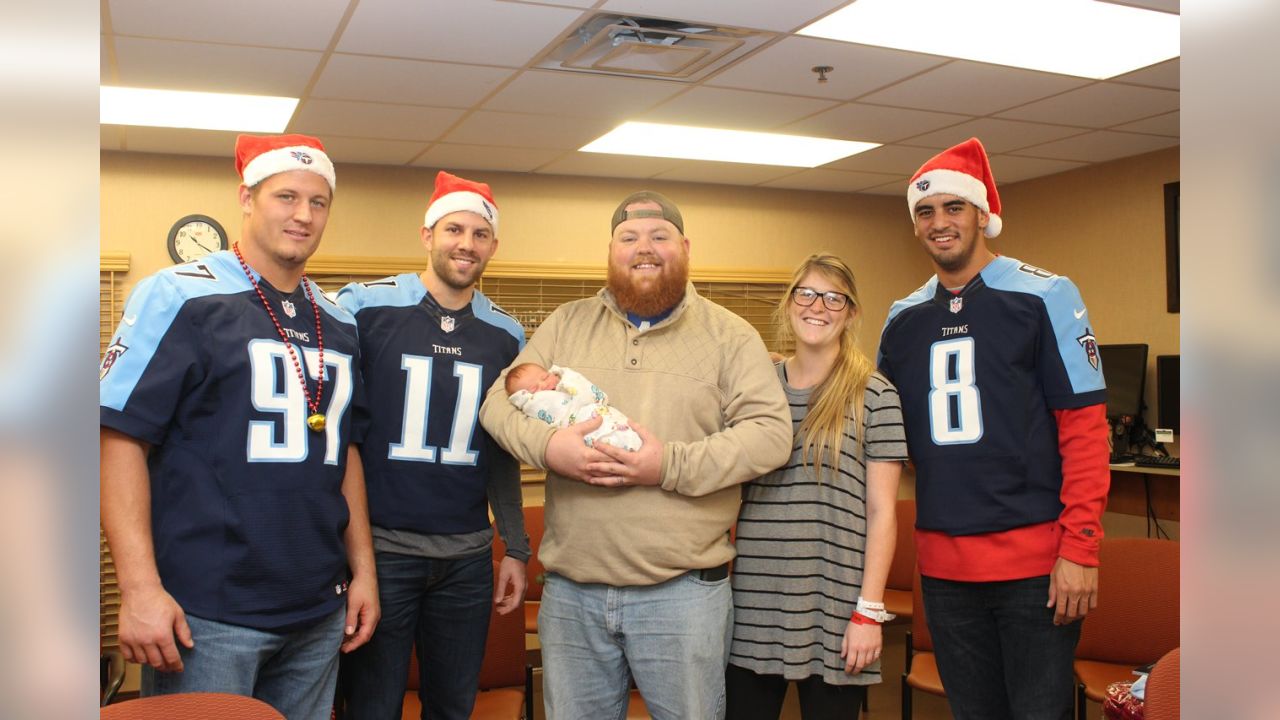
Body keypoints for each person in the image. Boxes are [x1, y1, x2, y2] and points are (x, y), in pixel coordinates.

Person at [479, 190, 792, 720]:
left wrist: (666, 465)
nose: (643, 248)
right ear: (611, 250)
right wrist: (552, 448)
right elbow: (496, 404)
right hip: (572, 595)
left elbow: (769, 434)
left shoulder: (731, 336)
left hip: (683, 596)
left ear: (685, 247)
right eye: (628, 238)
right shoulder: (565, 324)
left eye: (659, 236)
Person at [99, 133, 379, 720]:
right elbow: (117, 437)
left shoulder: (339, 320)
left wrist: (364, 573)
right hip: (208, 612)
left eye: (318, 202)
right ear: (247, 198)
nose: (303, 215)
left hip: (317, 608)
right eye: (286, 196)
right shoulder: (179, 296)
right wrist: (140, 589)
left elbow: (343, 451)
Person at [876, 137, 1110, 720]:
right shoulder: (902, 320)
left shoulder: (1046, 295)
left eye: (954, 208)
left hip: (1036, 568)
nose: (939, 223)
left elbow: (1084, 431)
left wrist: (1080, 547)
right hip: (945, 569)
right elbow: (879, 433)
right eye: (924, 212)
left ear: (983, 215)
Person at [336, 170, 530, 720]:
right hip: (381, 552)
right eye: (453, 229)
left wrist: (514, 545)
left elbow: (502, 449)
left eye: (479, 234)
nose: (466, 244)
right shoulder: (364, 308)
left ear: (493, 246)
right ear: (427, 235)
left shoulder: (506, 335)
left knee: (452, 707)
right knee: (371, 706)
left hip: (465, 557)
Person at [726, 254, 907, 720]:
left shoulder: (876, 394)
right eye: (806, 293)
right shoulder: (756, 388)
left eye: (833, 298)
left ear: (851, 312)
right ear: (789, 304)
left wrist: (869, 613)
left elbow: (882, 512)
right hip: (752, 602)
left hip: (836, 603)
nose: (817, 307)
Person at [504, 362, 643, 451]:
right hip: (586, 435)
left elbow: (588, 392)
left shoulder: (567, 380)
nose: (544, 385)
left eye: (545, 377)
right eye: (534, 389)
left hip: (604, 415)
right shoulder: (535, 404)